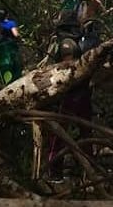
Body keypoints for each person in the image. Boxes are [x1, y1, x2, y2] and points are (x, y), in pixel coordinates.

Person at [45, 38, 94, 183]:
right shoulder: (56, 71)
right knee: (58, 136)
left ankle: (87, 171)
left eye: (71, 58)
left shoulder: (82, 69)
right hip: (66, 101)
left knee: (86, 134)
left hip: (80, 98)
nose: (68, 62)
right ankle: (55, 171)